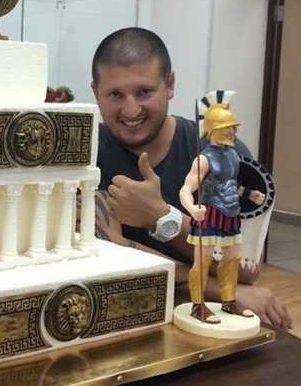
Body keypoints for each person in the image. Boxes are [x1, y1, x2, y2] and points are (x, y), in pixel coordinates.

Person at [90, 27, 292, 329]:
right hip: (116, 315)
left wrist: (162, 217)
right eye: (115, 94)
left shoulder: (223, 153)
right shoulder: (85, 152)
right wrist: (222, 289)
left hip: (207, 320)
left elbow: (245, 268)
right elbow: (106, 255)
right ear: (96, 92)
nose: (131, 109)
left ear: (170, 84)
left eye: (144, 92)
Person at [180, 90, 264, 323]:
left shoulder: (233, 156)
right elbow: (185, 189)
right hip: (209, 214)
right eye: (227, 128)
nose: (232, 132)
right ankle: (198, 305)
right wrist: (192, 209)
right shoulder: (203, 159)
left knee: (232, 259)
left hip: (231, 214)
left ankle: (229, 301)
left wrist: (250, 194)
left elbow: (230, 185)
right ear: (213, 129)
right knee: (203, 261)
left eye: (233, 128)